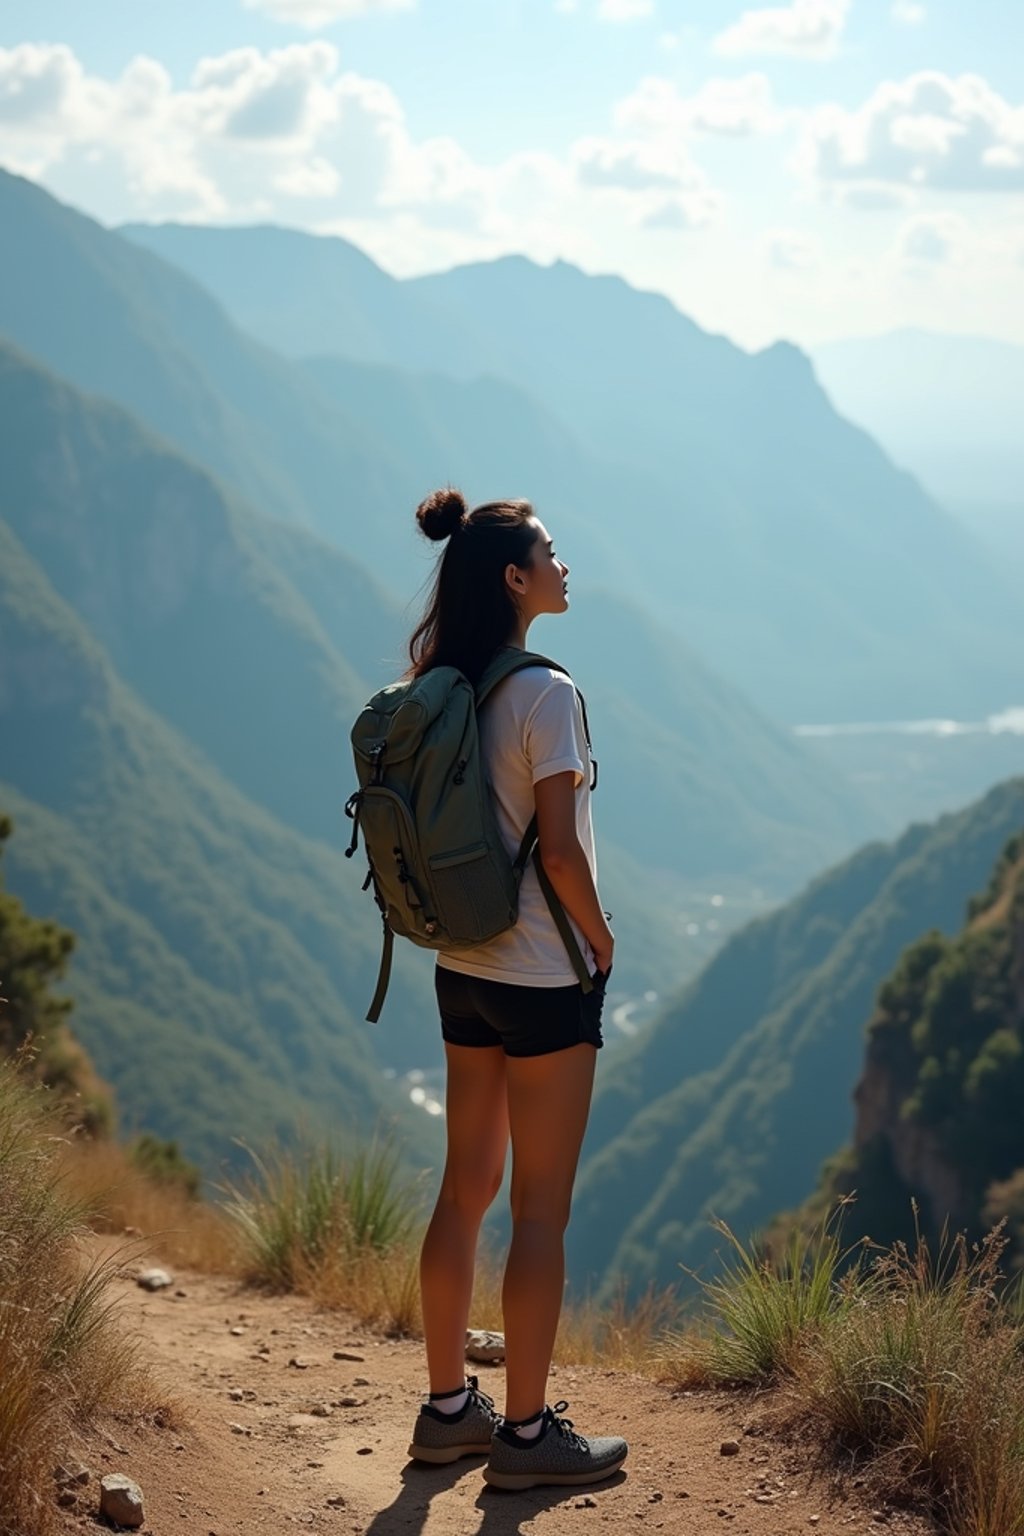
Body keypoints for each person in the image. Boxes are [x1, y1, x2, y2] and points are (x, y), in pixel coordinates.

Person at [404, 487, 627, 1492]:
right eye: (549, 551)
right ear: (513, 576)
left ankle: (449, 1410)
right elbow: (566, 857)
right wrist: (601, 938)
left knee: (463, 1189)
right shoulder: (548, 693)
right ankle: (529, 1438)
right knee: (540, 1211)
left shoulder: (442, 678)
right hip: (541, 978)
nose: (563, 564)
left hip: (462, 969)